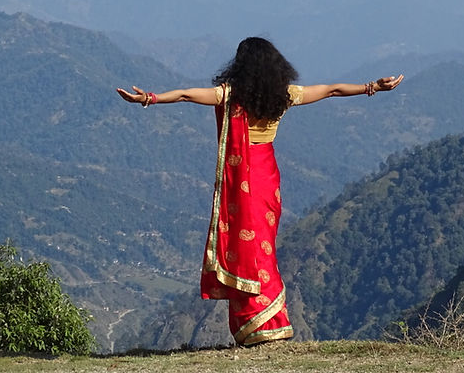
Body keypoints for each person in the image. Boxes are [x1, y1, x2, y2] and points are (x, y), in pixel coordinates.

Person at [117, 36, 403, 346]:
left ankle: (259, 324)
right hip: (268, 179)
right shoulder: (286, 95)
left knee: (247, 250)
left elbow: (186, 95)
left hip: (245, 181)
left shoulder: (229, 96)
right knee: (261, 247)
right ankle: (269, 321)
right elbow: (331, 90)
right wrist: (371, 86)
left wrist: (151, 98)